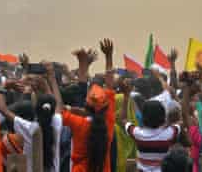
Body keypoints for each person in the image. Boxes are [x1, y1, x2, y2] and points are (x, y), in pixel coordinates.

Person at [60, 43, 117, 172]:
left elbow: (61, 111)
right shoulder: (108, 123)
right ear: (106, 107)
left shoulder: (79, 123)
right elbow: (109, 86)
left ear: (86, 106)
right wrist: (109, 56)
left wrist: (83, 64)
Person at [123, 100, 181, 172]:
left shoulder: (137, 134)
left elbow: (124, 120)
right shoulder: (170, 133)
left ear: (143, 117)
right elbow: (179, 123)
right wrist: (167, 122)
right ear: (163, 116)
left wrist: (126, 96)